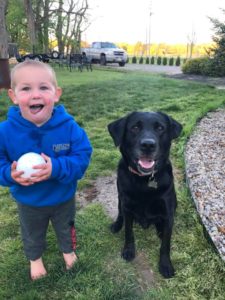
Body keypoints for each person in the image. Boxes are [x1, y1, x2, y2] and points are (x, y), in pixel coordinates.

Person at [0, 60, 92, 281]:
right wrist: (8, 174)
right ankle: (35, 260)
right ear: (13, 96)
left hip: (63, 198)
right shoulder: (5, 131)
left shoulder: (69, 127)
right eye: (26, 88)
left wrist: (56, 168)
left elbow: (82, 157)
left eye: (43, 87)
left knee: (66, 228)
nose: (35, 95)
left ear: (56, 93)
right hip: (29, 201)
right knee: (32, 233)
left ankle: (68, 252)